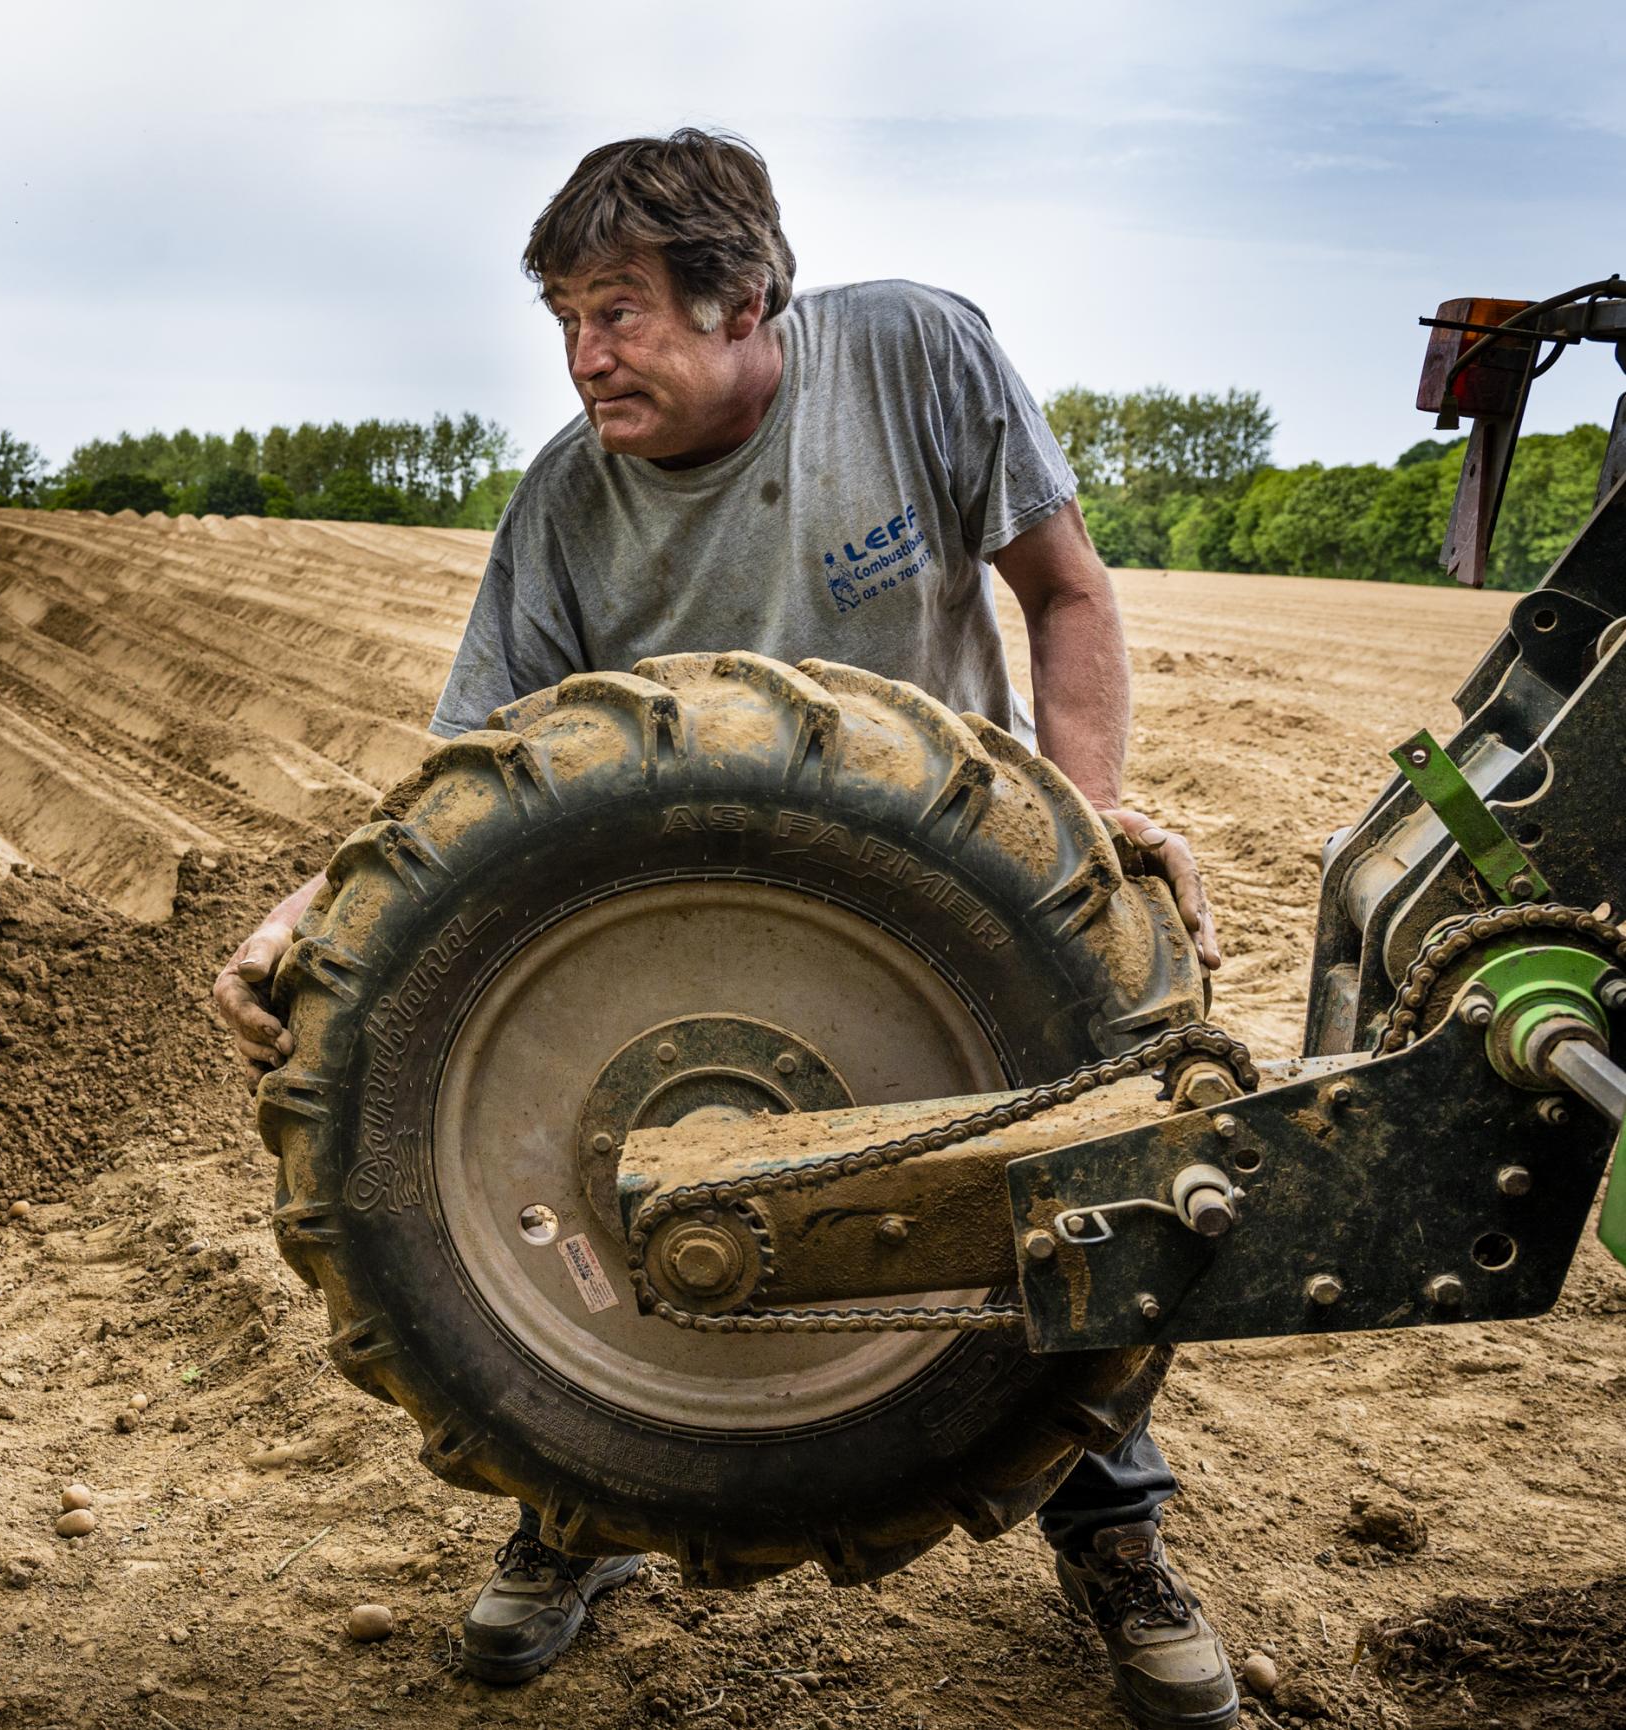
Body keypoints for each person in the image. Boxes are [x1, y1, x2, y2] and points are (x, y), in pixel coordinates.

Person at [209, 129, 1234, 1730]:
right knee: (570, 1200)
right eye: (562, 318)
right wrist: (310, 917)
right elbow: (463, 787)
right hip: (678, 952)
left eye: (615, 312)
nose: (583, 356)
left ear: (745, 292)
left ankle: (1115, 1532)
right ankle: (577, 1515)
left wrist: (1084, 832)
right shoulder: (566, 504)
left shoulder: (914, 355)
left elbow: (1069, 593)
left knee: (1071, 1191)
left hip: (935, 910)